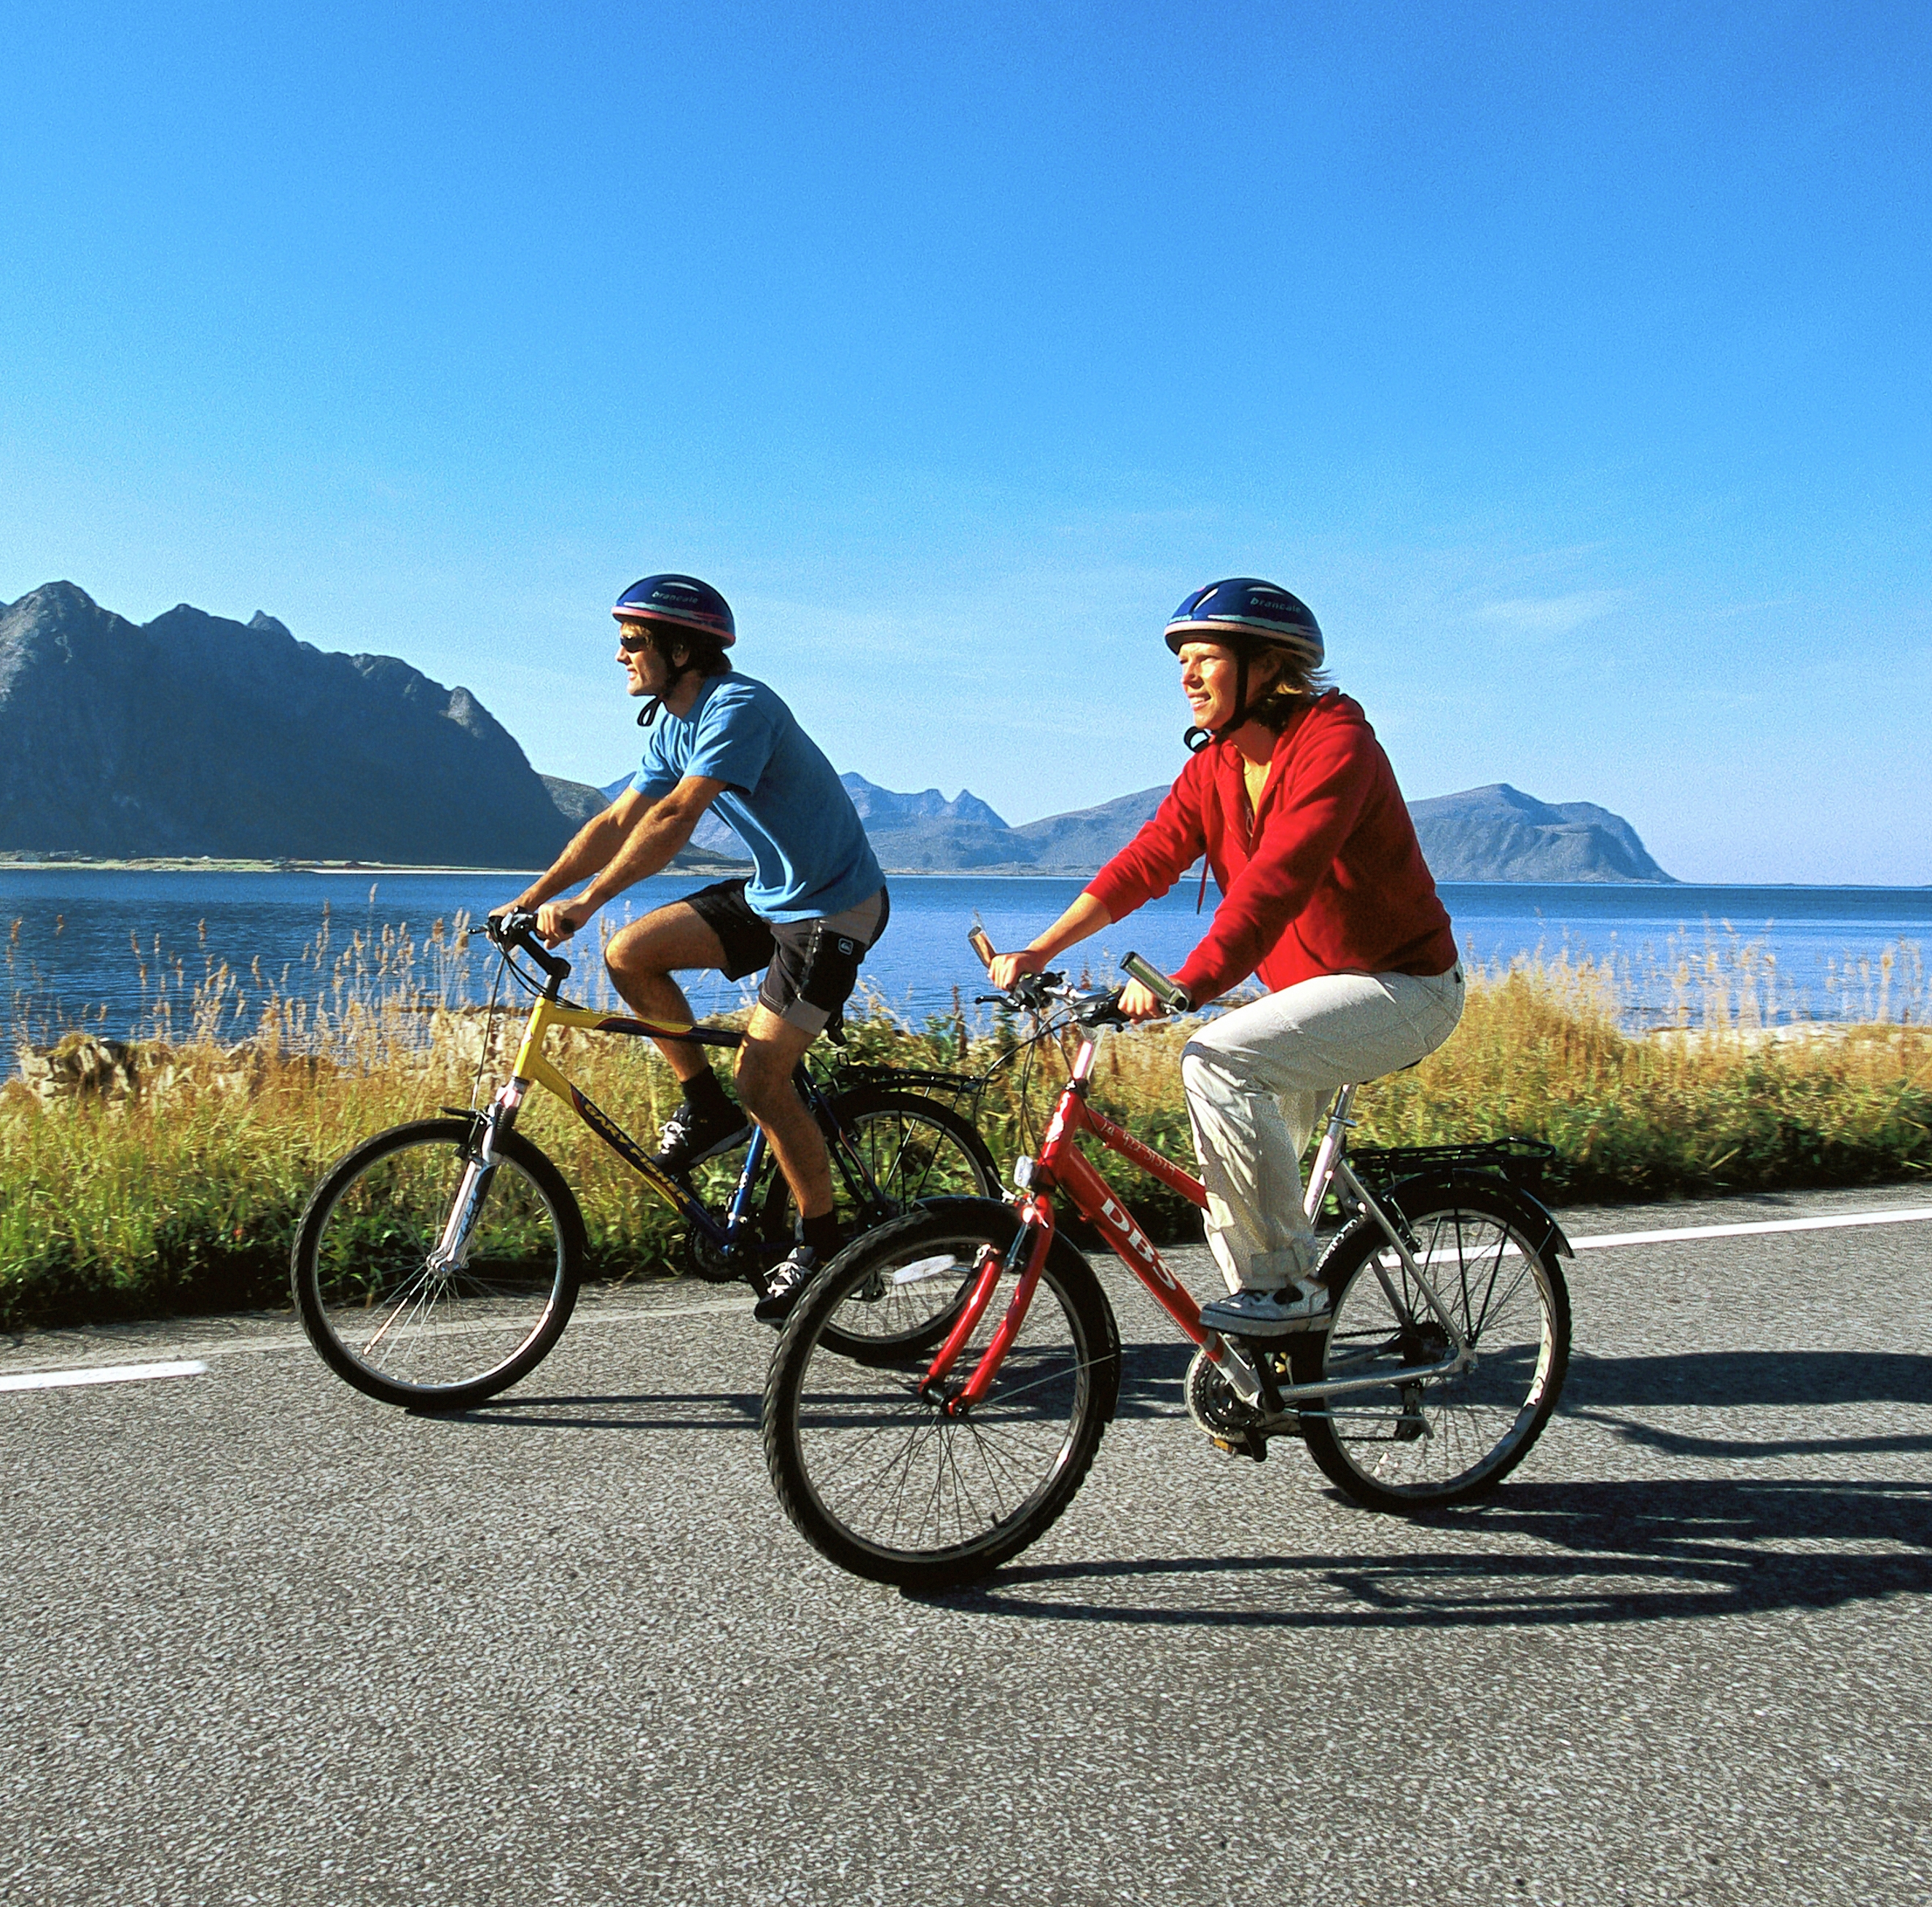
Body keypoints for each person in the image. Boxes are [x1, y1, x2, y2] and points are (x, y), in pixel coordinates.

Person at [987, 579, 1463, 1339]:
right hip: (1309, 994)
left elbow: (1274, 886)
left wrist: (1186, 986)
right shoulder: (1215, 766)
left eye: (1205, 657)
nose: (1186, 675)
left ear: (1268, 666)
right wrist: (1041, 947)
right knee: (1233, 1189)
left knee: (1215, 1060)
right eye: (1183, 659)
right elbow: (1145, 862)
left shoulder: (1335, 745)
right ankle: (1264, 1362)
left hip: (1402, 984)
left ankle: (1285, 1293)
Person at [502, 573, 890, 1315]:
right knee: (631, 955)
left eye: (631, 642)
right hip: (772, 897)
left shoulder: (739, 708)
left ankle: (822, 1241)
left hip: (833, 907)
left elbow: (679, 814)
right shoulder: (672, 723)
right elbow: (620, 822)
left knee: (764, 1081)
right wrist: (532, 899)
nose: (619, 656)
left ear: (680, 649)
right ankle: (706, 1108)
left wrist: (585, 904)